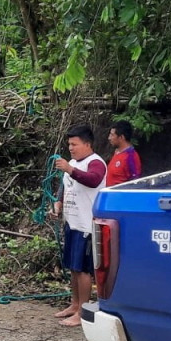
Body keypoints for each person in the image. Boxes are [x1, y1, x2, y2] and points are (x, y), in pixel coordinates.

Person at [51, 124, 106, 327]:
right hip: (72, 222)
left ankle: (83, 310)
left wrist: (70, 169)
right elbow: (66, 186)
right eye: (69, 144)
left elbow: (93, 180)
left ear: (87, 144)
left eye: (74, 144)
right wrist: (58, 203)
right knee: (73, 267)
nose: (71, 148)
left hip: (87, 225)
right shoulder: (72, 163)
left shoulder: (96, 162)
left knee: (82, 269)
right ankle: (74, 304)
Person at [105, 119, 142, 187]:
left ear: (121, 137)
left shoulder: (131, 156)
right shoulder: (117, 152)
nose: (109, 138)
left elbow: (135, 183)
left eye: (112, 135)